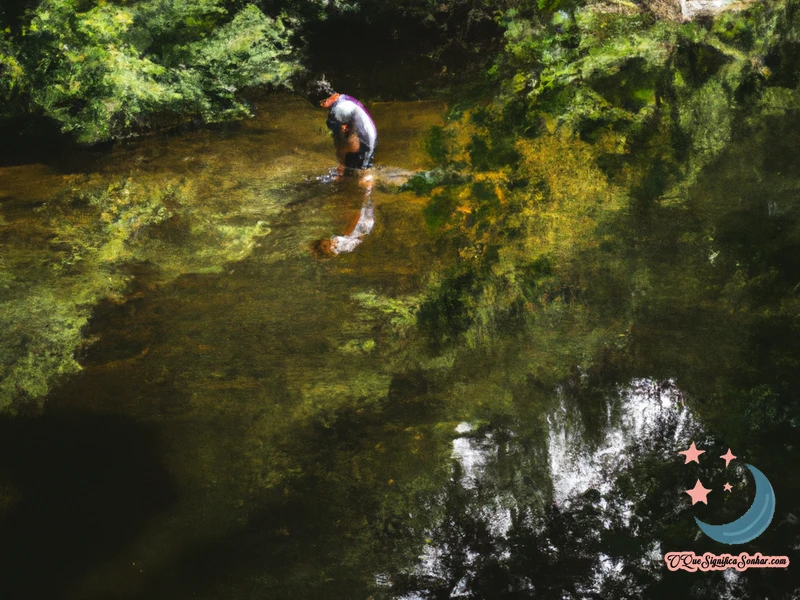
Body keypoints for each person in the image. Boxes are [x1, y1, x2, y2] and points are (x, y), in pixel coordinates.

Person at [308, 79, 378, 171]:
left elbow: (342, 138)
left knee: (361, 173)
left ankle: (367, 183)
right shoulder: (344, 98)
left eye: (320, 104)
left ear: (324, 101)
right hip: (370, 136)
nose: (321, 106)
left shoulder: (337, 111)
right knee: (356, 169)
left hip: (362, 141)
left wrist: (341, 157)